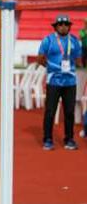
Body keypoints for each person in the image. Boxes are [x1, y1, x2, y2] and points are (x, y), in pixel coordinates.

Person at [37, 14, 82, 150]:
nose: (63, 27)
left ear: (69, 26)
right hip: (54, 82)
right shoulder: (48, 40)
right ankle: (48, 139)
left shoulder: (74, 41)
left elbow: (78, 60)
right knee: (50, 111)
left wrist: (75, 65)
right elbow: (40, 59)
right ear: (56, 26)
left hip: (70, 82)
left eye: (66, 24)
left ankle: (69, 139)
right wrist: (51, 68)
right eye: (60, 25)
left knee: (69, 112)